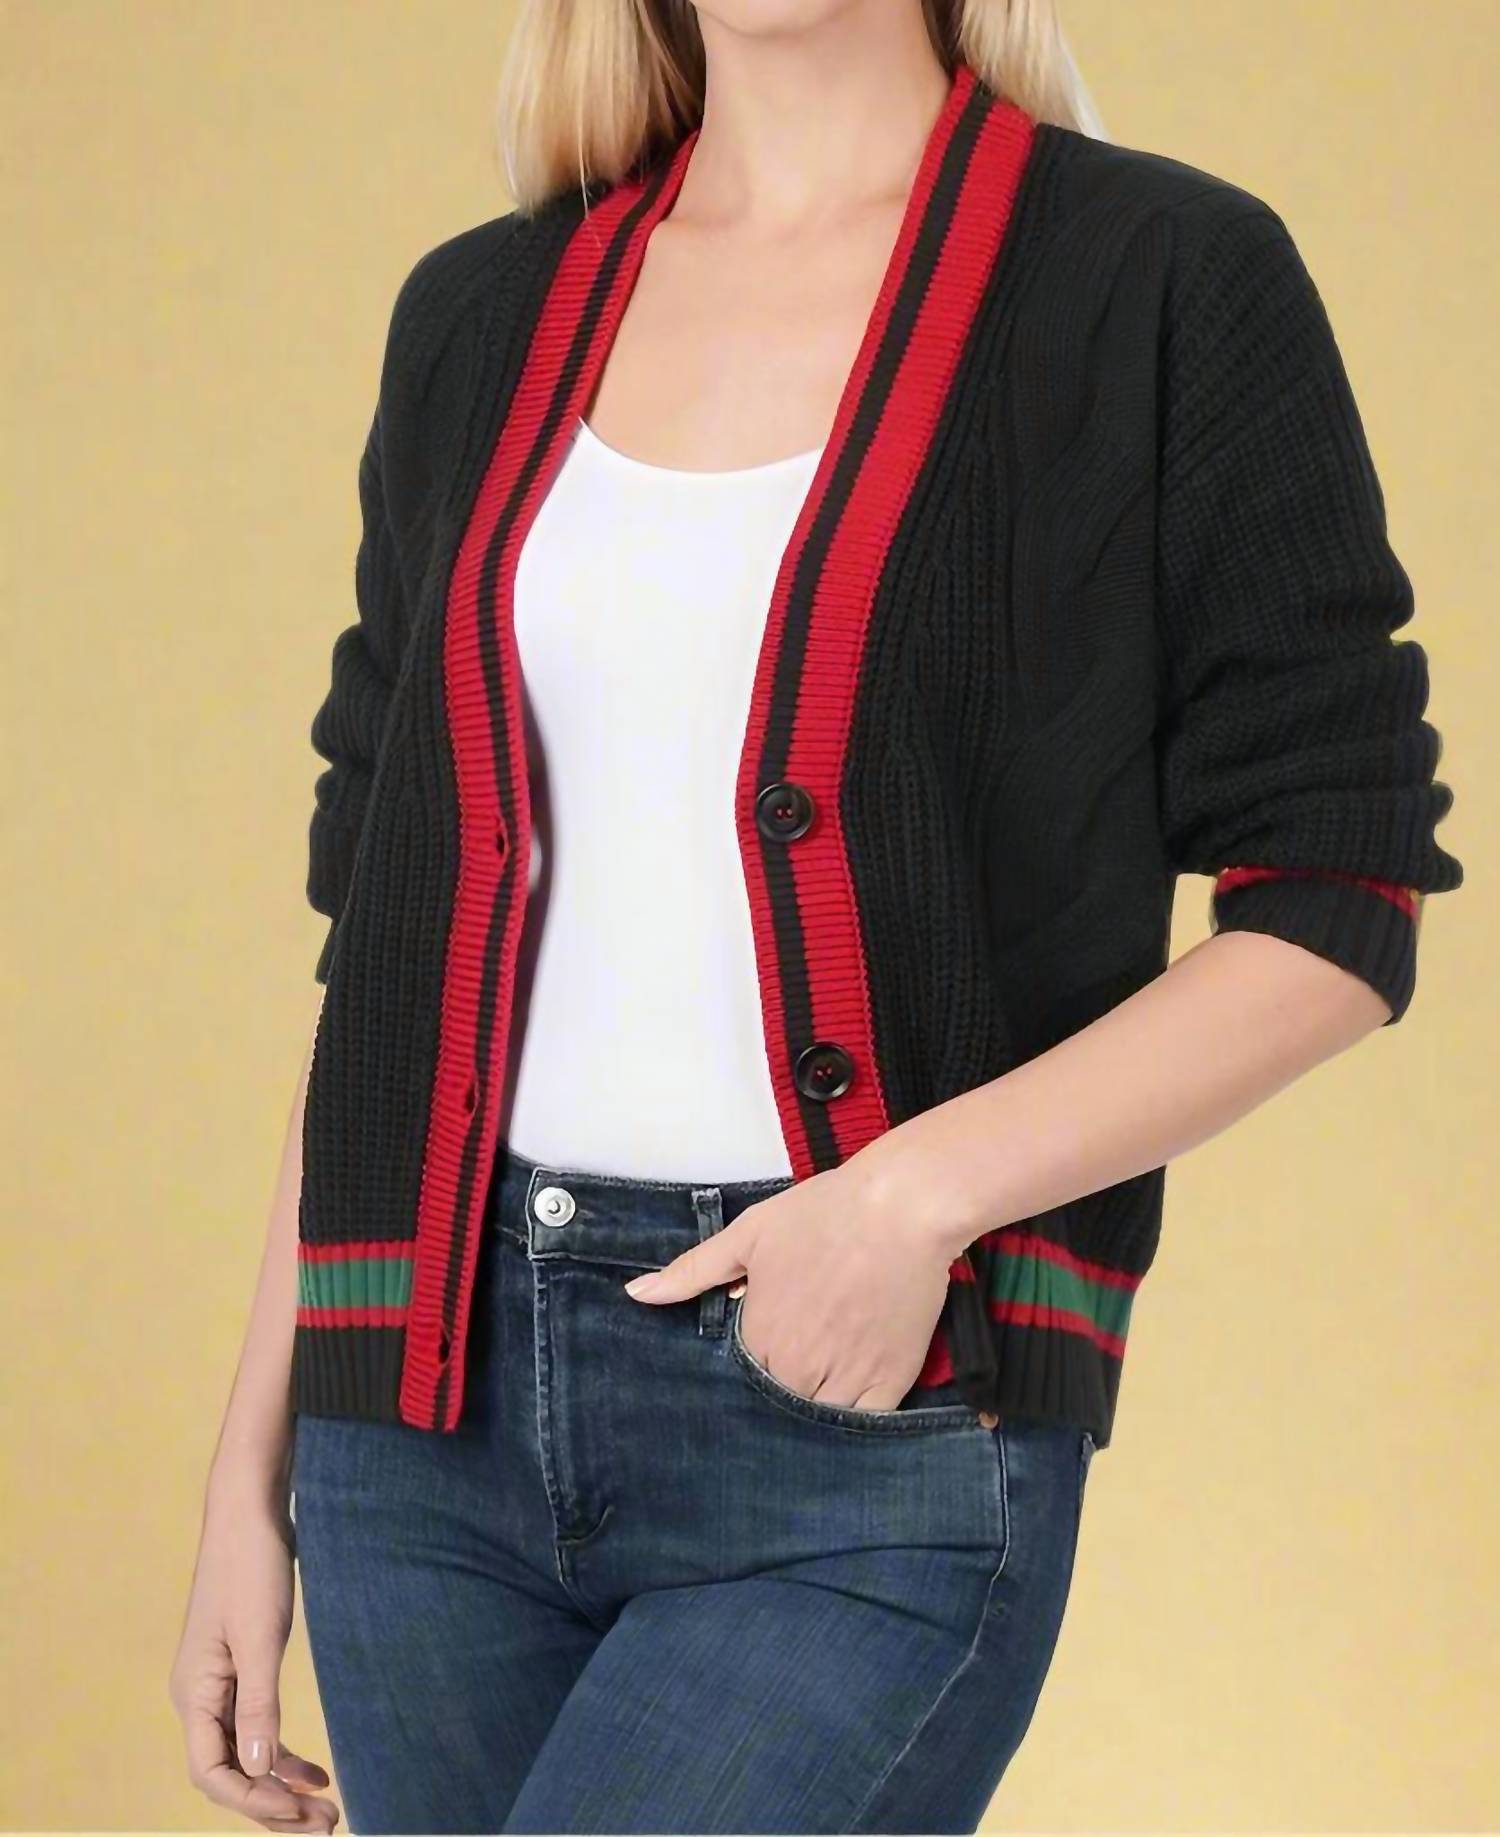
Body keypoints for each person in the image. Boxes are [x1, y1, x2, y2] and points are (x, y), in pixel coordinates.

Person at [168, 2, 1463, 1831]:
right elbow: (382, 946)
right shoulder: (478, 312)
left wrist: (909, 1203)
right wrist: (256, 1469)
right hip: (422, 1431)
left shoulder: (1162, 279)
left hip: (863, 1417)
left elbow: (1341, 891)